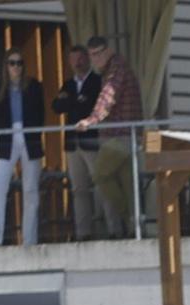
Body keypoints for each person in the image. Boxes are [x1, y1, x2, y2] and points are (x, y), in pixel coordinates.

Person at [0, 49, 45, 248]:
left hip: (29, 137)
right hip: (8, 137)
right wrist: (2, 132)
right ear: (6, 66)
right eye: (12, 63)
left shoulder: (33, 86)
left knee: (31, 189)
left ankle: (30, 239)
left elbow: (40, 113)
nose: (16, 67)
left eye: (20, 63)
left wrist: (33, 132)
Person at [75, 37, 142, 235]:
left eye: (98, 53)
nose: (94, 58)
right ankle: (135, 227)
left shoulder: (116, 69)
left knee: (100, 176)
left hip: (121, 137)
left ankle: (131, 217)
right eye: (91, 55)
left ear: (108, 51)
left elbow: (108, 96)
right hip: (124, 137)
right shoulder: (111, 69)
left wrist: (91, 120)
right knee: (128, 185)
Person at [53, 45, 111, 239]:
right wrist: (76, 100)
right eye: (73, 59)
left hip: (92, 141)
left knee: (101, 184)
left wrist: (72, 100)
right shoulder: (68, 84)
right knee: (79, 189)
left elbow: (91, 105)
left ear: (87, 59)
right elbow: (57, 106)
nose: (77, 63)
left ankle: (108, 229)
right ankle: (83, 232)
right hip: (72, 143)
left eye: (80, 59)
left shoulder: (96, 81)